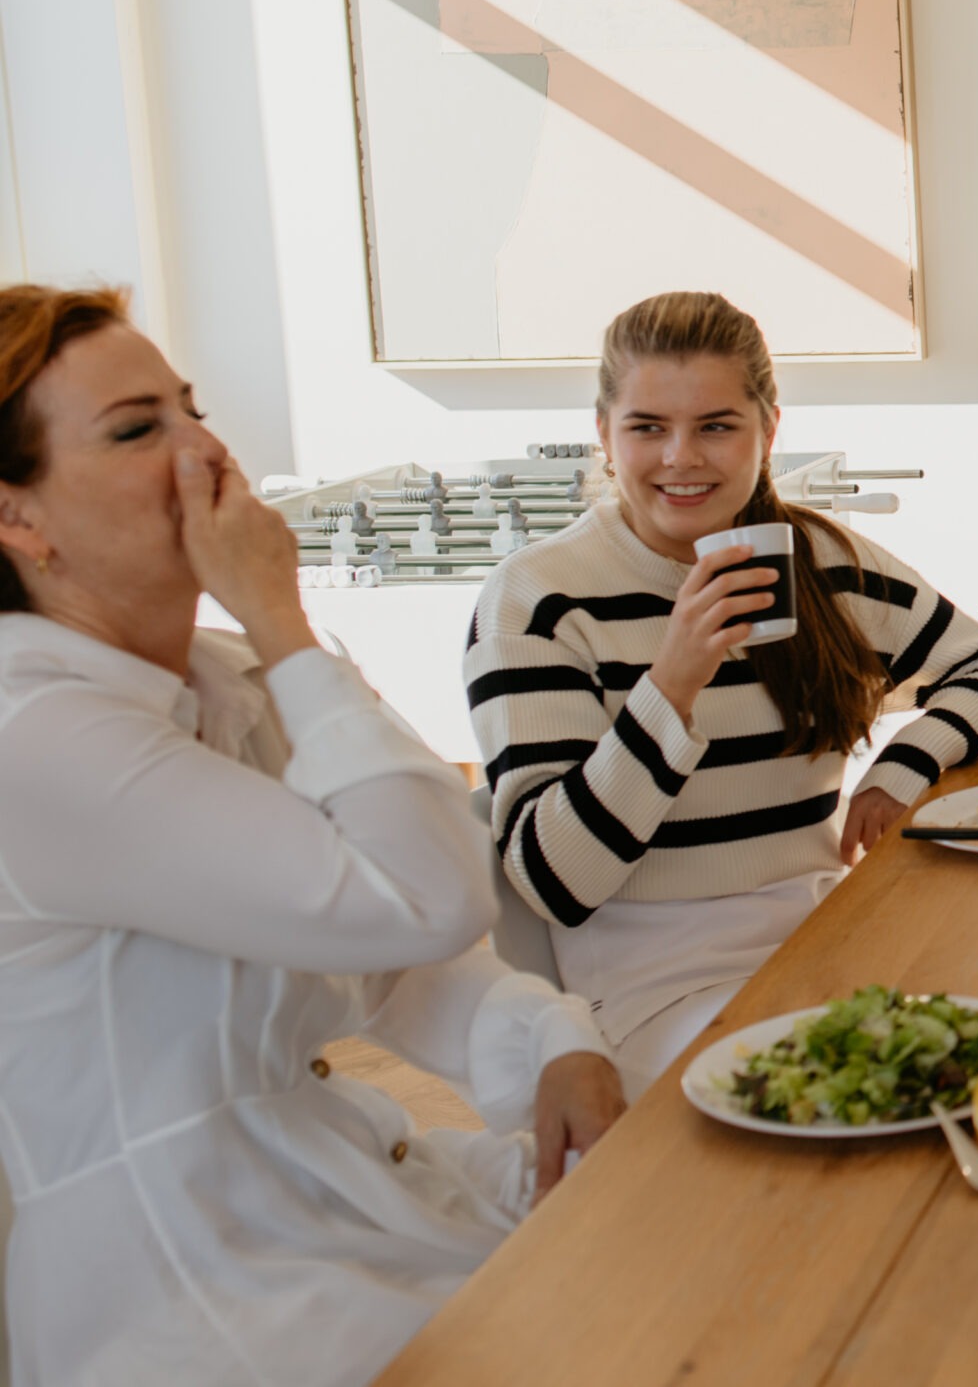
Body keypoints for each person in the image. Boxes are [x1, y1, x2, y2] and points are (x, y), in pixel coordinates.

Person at [0, 285, 624, 1387]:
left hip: (331, 1187)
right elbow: (426, 893)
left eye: (191, 408)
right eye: (139, 429)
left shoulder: (223, 681)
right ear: (18, 518)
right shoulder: (38, 735)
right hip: (197, 1290)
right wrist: (280, 615)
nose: (206, 450)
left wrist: (552, 1038)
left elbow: (395, 955)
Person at [464, 293, 978, 1093]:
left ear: (768, 430)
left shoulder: (820, 562)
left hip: (825, 942)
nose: (681, 457)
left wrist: (906, 762)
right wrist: (672, 686)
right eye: (647, 427)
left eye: (715, 425)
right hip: (649, 987)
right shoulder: (536, 599)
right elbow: (552, 879)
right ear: (603, 433)